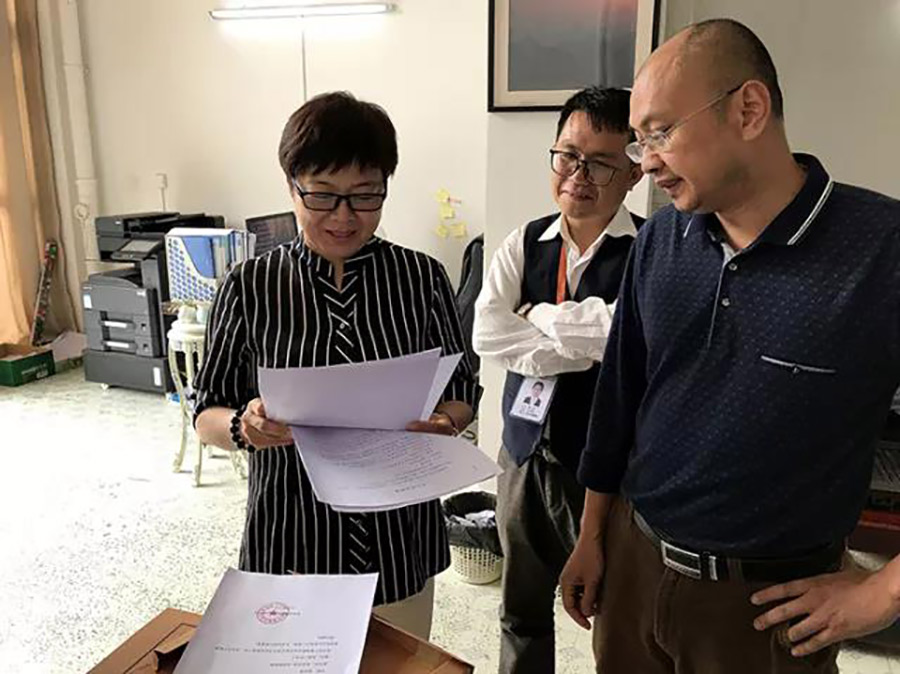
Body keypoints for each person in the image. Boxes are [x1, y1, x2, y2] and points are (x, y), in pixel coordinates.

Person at [560, 19, 900, 674]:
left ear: (748, 109)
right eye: (638, 142)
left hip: (766, 608)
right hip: (635, 568)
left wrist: (884, 592)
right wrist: (592, 535)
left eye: (661, 132)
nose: (645, 161)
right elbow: (619, 402)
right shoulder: (662, 239)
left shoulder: (880, 250)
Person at [193, 92, 477, 640]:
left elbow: (462, 386)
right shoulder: (251, 285)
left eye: (365, 195)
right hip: (292, 533)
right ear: (291, 186)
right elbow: (206, 412)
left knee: (400, 660)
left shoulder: (421, 278)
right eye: (323, 195)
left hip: (398, 534)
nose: (344, 217)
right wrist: (245, 427)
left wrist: (446, 422)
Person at [473, 86, 644, 674]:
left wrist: (540, 316)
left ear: (634, 172)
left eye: (600, 162)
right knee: (519, 610)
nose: (578, 174)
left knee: (616, 617)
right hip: (521, 458)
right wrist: (587, 347)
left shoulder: (650, 250)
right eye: (568, 155)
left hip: (605, 474)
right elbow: (488, 335)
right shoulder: (523, 242)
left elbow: (629, 343)